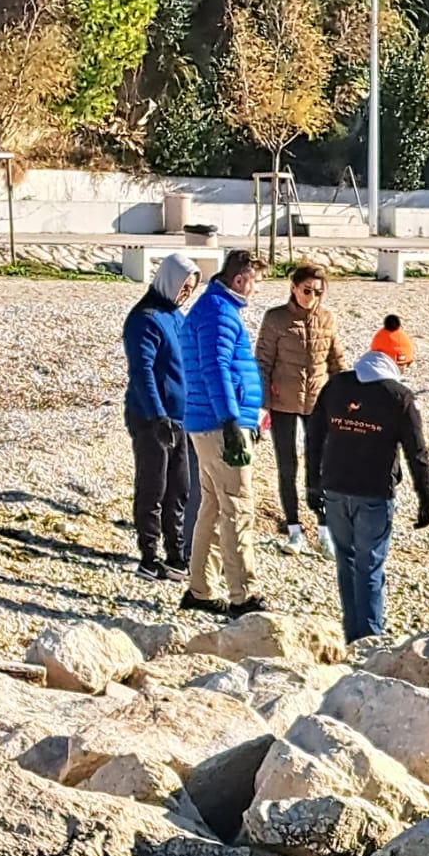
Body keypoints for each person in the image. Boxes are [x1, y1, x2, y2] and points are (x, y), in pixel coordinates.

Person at [309, 350, 429, 642]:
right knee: (370, 565)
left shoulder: (336, 386)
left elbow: (313, 438)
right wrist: (425, 497)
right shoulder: (399, 397)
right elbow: (417, 452)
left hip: (335, 488)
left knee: (347, 561)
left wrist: (312, 485)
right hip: (374, 493)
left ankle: (353, 635)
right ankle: (369, 639)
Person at [181, 248, 268, 618]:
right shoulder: (219, 313)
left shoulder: (215, 308)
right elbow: (215, 369)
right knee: (237, 506)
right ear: (239, 280)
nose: (257, 290)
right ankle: (243, 594)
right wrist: (232, 421)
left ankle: (200, 589)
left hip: (208, 422)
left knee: (215, 506)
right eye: (256, 282)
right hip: (219, 425)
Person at [256, 263, 345, 557]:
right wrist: (262, 405)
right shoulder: (275, 318)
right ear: (294, 288)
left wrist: (346, 398)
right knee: (287, 465)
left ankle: (324, 531)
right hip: (282, 401)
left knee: (319, 466)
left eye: (319, 292)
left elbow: (336, 362)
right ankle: (294, 529)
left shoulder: (327, 319)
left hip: (317, 402)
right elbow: (263, 363)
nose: (313, 297)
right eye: (307, 290)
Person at [122, 252, 198, 581]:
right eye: (183, 287)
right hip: (152, 419)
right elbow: (142, 372)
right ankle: (149, 555)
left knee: (179, 488)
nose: (186, 294)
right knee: (154, 486)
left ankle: (176, 553)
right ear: (170, 281)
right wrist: (157, 416)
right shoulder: (145, 318)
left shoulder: (176, 315)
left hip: (182, 419)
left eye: (191, 289)